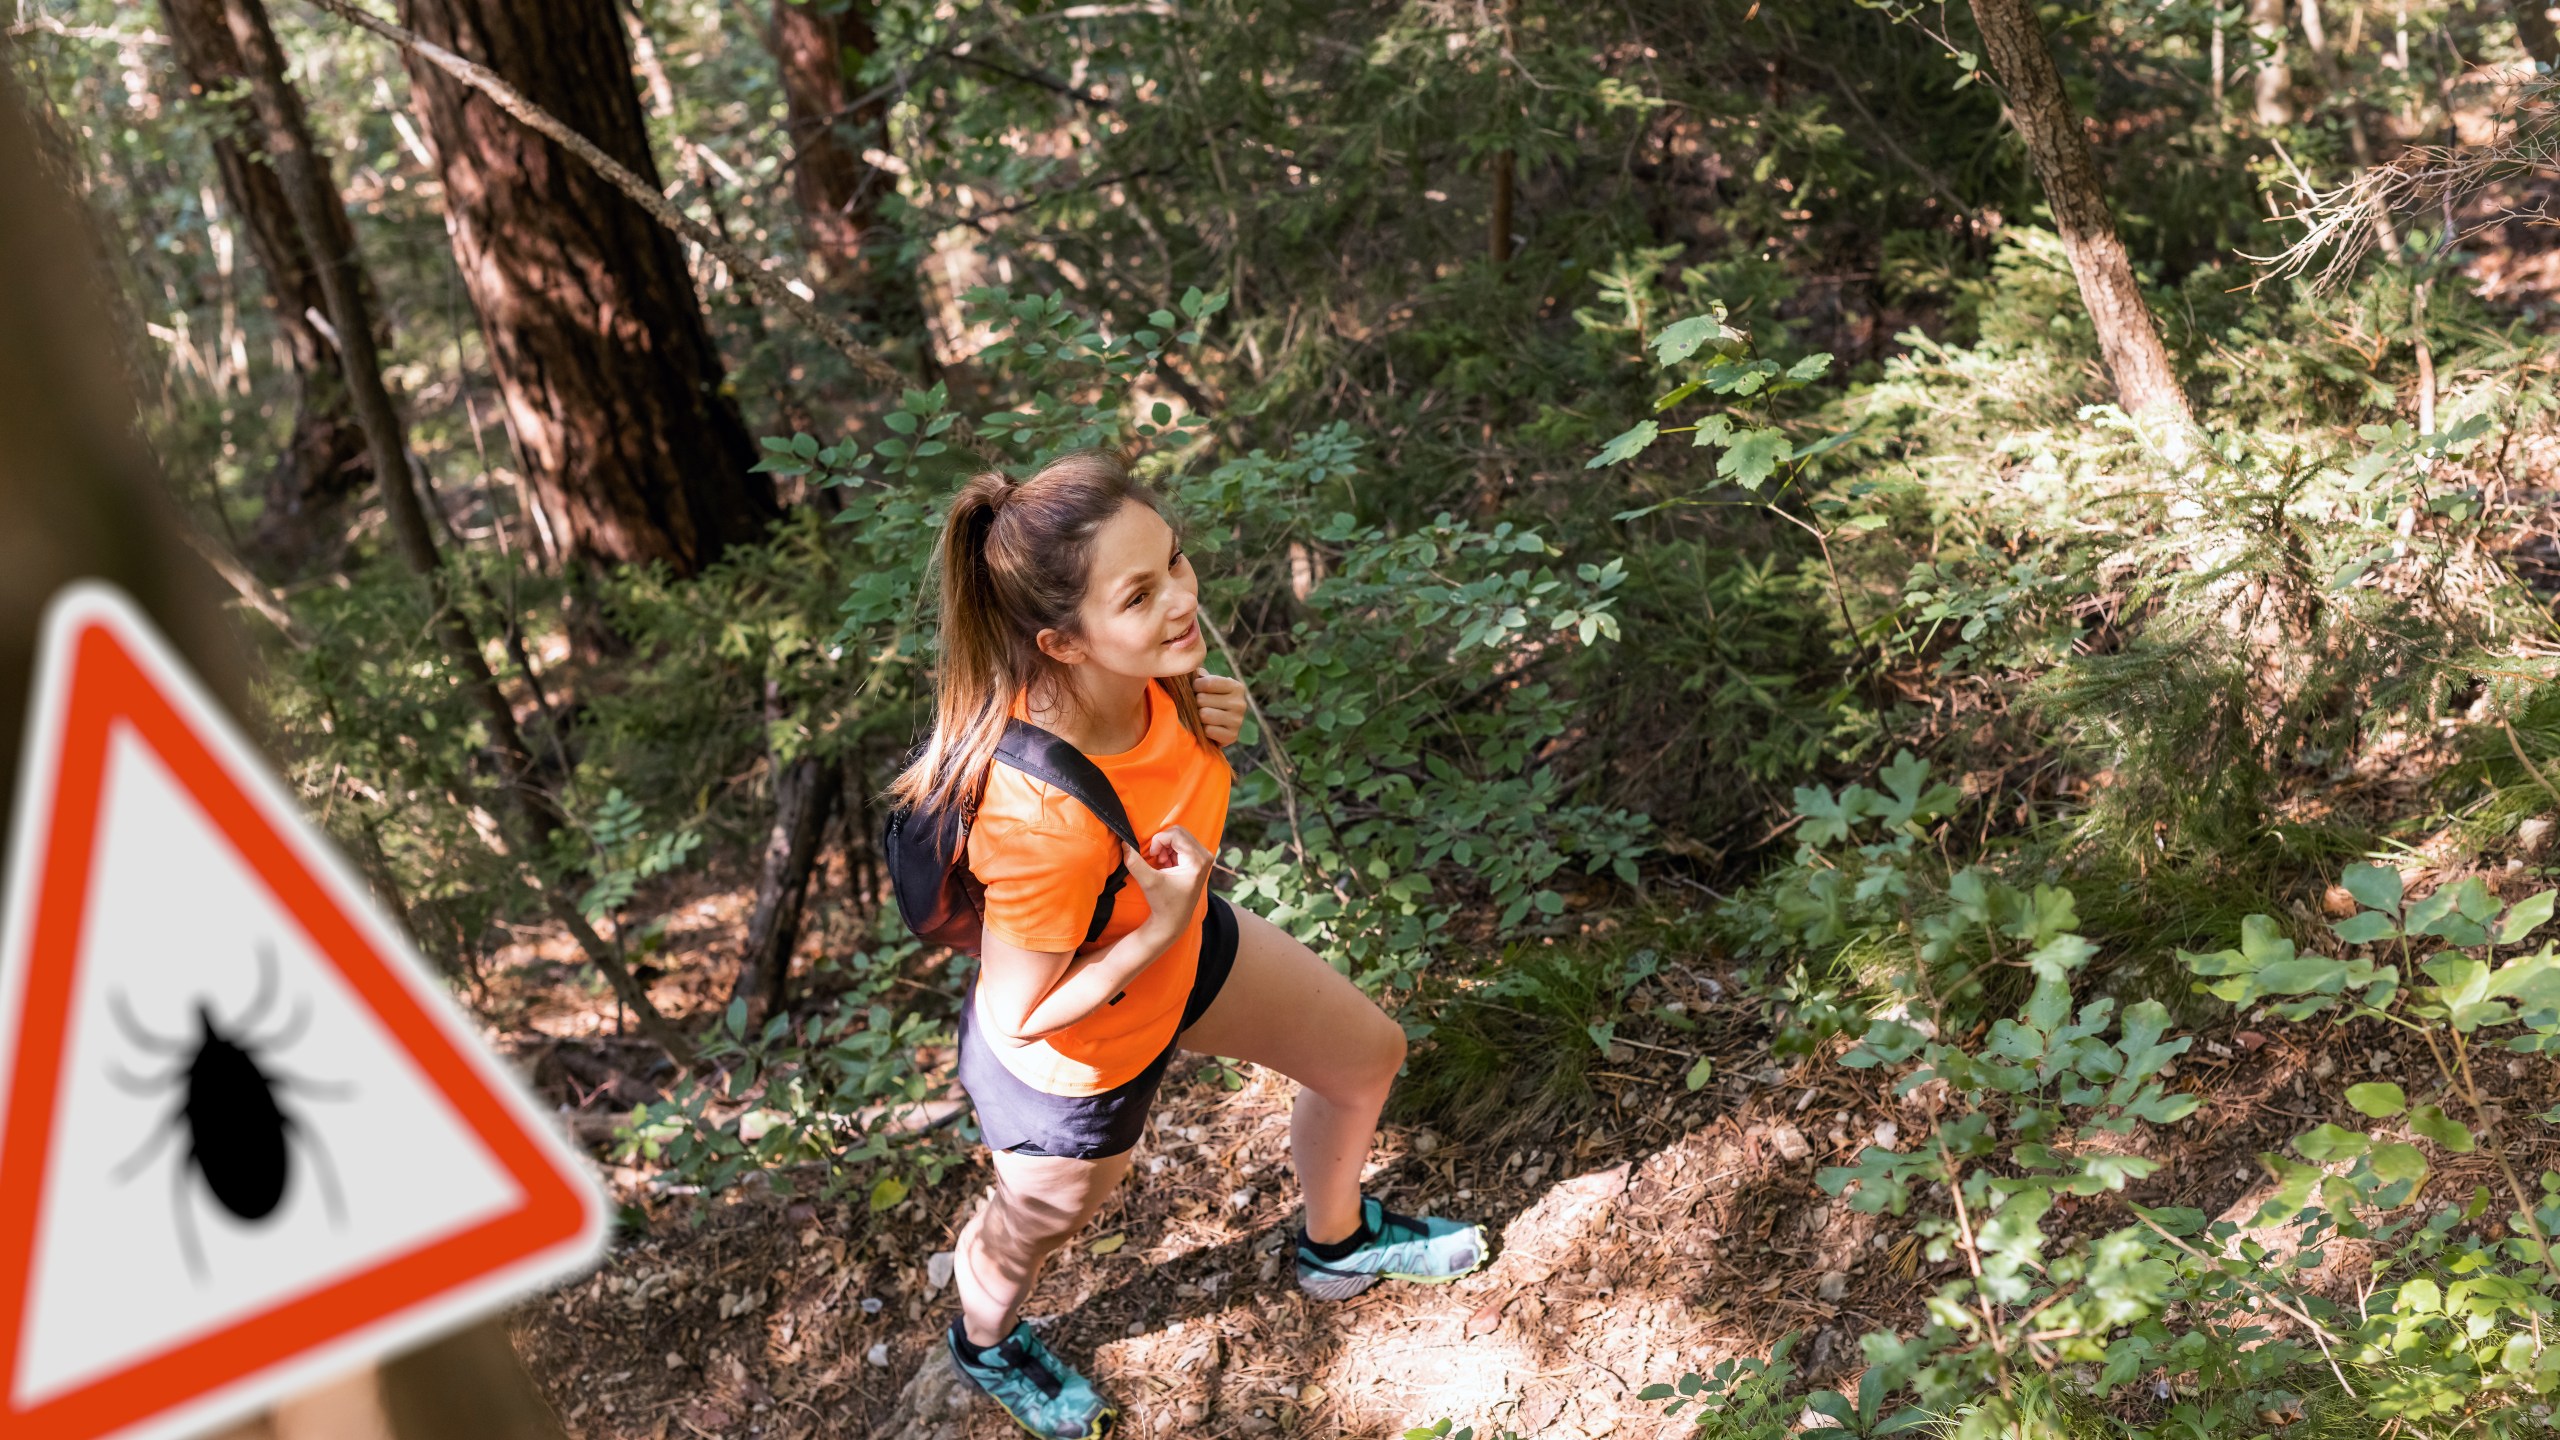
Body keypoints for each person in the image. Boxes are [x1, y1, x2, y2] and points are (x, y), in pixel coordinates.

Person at [890, 451, 1484, 1439]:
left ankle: (1336, 1246)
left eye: (1172, 560)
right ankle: (984, 1342)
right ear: (1063, 644)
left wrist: (1213, 730)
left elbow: (1167, 803)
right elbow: (1019, 1014)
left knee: (1366, 1058)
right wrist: (1161, 924)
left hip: (1182, 954)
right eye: (1138, 595)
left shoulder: (1159, 682)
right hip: (1075, 1057)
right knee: (1035, 1228)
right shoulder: (1037, 820)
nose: (1180, 599)